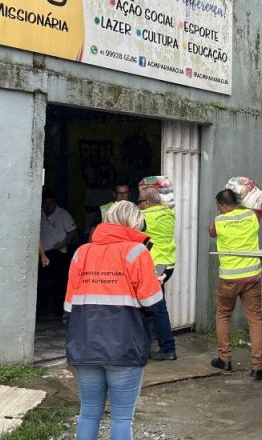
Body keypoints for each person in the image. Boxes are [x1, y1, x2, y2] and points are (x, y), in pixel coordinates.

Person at [64, 200, 165, 440]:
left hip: (84, 345)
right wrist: (156, 283)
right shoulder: (136, 252)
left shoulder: (82, 252)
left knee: (88, 414)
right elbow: (152, 303)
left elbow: (68, 308)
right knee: (121, 417)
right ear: (134, 222)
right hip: (124, 347)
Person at [208, 189, 262, 380]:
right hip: (251, 277)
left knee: (222, 315)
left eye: (218, 206)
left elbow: (211, 232)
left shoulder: (218, 222)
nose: (218, 210)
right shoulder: (252, 216)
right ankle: (259, 367)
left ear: (223, 205)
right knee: (255, 319)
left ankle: (224, 358)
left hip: (229, 279)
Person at [138, 185, 177, 361]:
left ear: (146, 202)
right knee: (154, 307)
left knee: (152, 309)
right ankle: (163, 347)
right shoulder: (169, 212)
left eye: (139, 202)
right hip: (167, 265)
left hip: (154, 267)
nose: (137, 205)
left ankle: (164, 349)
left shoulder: (144, 217)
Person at [39, 189, 78, 318]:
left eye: (51, 203)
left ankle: (59, 312)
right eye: (46, 203)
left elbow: (73, 231)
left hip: (58, 252)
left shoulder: (63, 214)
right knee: (42, 283)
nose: (48, 205)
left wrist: (63, 243)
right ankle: (40, 311)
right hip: (42, 253)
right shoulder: (39, 214)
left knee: (59, 283)